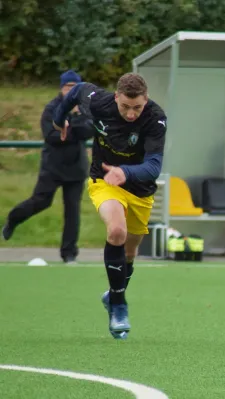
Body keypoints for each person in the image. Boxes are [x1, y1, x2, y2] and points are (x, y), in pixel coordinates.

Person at [52, 72, 167, 339]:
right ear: (115, 97)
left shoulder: (156, 118)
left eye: (137, 107)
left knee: (130, 253)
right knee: (117, 231)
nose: (130, 114)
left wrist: (125, 172)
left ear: (146, 100)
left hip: (139, 190)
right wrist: (60, 119)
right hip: (104, 180)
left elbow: (154, 166)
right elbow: (75, 91)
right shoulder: (98, 101)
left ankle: (113, 294)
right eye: (125, 106)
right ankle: (118, 305)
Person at [2, 70, 93, 263]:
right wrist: (73, 132)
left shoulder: (83, 108)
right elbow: (51, 136)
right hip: (53, 167)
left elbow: (89, 130)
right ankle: (13, 218)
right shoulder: (52, 109)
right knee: (41, 201)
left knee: (72, 211)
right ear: (61, 88)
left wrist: (72, 125)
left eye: (75, 87)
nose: (71, 90)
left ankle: (69, 254)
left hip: (76, 168)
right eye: (68, 87)